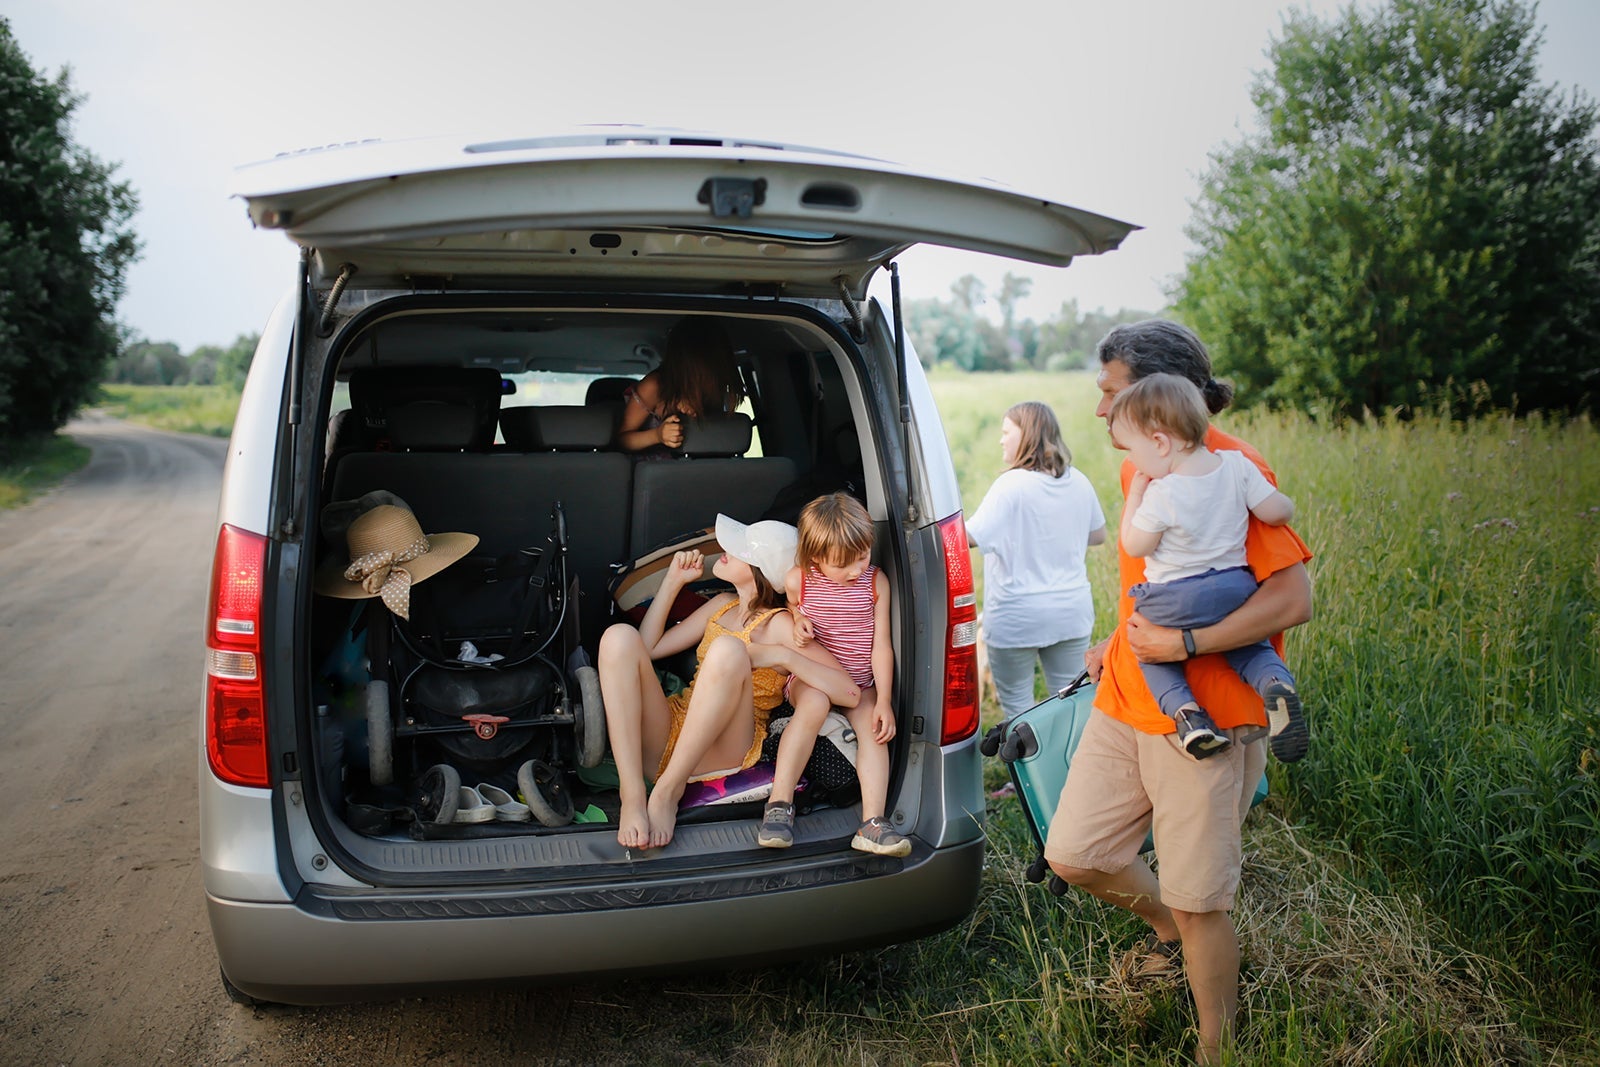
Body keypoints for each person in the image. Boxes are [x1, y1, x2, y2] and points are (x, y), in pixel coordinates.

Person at [1046, 320, 1313, 1067]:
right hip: (1126, 699)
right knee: (1076, 852)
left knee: (1203, 900)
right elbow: (1160, 579)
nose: (1100, 411)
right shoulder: (1142, 464)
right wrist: (1116, 637)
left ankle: (1214, 1045)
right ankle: (1174, 933)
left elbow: (1294, 597)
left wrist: (1186, 645)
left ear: (1159, 399)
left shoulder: (1228, 464)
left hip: (1209, 716)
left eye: (1109, 392)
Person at [597, 514, 858, 850]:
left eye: (739, 551)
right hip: (674, 730)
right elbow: (647, 649)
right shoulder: (721, 606)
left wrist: (785, 657)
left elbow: (849, 692)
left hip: (726, 747)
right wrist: (673, 581)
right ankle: (632, 792)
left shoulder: (779, 625)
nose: (724, 550)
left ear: (760, 571)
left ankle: (668, 791)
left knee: (728, 649)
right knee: (618, 637)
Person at [1108, 372, 1307, 763]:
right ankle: (1276, 684)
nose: (1132, 460)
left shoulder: (1161, 492)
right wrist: (1287, 505)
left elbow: (1135, 544)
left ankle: (1188, 716)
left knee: (1147, 651)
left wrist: (1135, 498)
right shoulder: (1237, 465)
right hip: (1235, 590)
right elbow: (1277, 511)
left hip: (1174, 600)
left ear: (1160, 443)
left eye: (1132, 450)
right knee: (1252, 649)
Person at [758, 492, 910, 857]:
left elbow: (881, 646)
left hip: (861, 682)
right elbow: (793, 606)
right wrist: (798, 620)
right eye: (842, 565)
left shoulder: (876, 584)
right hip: (814, 679)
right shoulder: (799, 581)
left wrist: (884, 701)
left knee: (874, 731)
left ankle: (872, 823)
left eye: (862, 557)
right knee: (812, 703)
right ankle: (779, 805)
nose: (856, 570)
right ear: (815, 558)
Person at [965, 401, 1106, 718]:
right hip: (1071, 611)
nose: (1001, 440)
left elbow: (968, 537)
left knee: (1018, 708)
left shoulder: (1010, 485)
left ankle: (1029, 766)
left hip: (1018, 617)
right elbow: (1098, 535)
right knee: (1070, 705)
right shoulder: (1078, 481)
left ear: (1026, 435)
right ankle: (1069, 767)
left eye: (1006, 432)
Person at [614, 316, 745, 455]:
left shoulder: (717, 387)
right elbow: (622, 440)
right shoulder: (655, 386)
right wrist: (657, 435)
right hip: (653, 470)